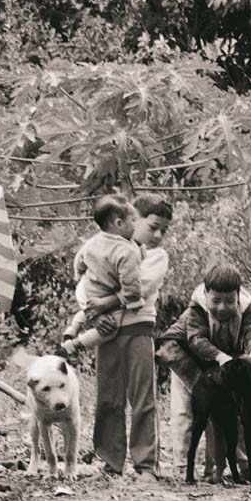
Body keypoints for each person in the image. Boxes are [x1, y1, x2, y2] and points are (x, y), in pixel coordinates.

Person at [84, 194, 173, 481]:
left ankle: (146, 464)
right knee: (109, 397)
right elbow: (86, 282)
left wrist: (104, 303)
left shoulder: (156, 256)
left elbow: (141, 288)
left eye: (163, 230)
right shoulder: (103, 247)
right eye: (153, 227)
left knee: (142, 397)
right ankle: (111, 462)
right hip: (106, 330)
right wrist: (92, 311)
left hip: (139, 328)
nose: (157, 235)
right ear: (133, 219)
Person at [159, 262, 251, 478]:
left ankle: (229, 467)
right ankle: (182, 467)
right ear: (206, 294)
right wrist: (220, 356)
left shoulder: (246, 308)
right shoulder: (196, 309)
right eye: (216, 301)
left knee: (228, 411)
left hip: (218, 363)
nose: (223, 307)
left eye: (229, 301)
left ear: (238, 296)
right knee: (185, 413)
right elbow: (196, 340)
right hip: (184, 357)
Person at [58, 195, 143, 358]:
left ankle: (72, 329)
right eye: (133, 220)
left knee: (86, 311)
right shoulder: (126, 251)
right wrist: (133, 300)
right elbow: (131, 287)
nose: (136, 225)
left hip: (87, 290)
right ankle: (73, 346)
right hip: (104, 295)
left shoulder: (93, 241)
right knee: (110, 329)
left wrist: (79, 274)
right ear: (119, 223)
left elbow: (79, 260)